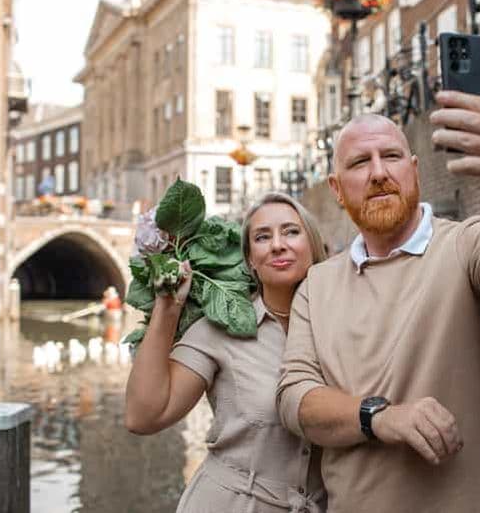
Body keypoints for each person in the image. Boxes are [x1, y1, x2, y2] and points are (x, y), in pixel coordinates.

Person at [276, 72, 480, 512]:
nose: (379, 173)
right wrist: (380, 416)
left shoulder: (466, 243)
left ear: (413, 171)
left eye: (391, 156)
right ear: (337, 189)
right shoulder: (316, 286)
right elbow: (295, 398)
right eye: (360, 163)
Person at [125, 192, 329, 513]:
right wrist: (168, 307)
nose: (277, 244)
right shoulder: (220, 329)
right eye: (262, 237)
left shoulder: (342, 327)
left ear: (314, 246)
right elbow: (144, 416)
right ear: (249, 259)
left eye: (291, 231)